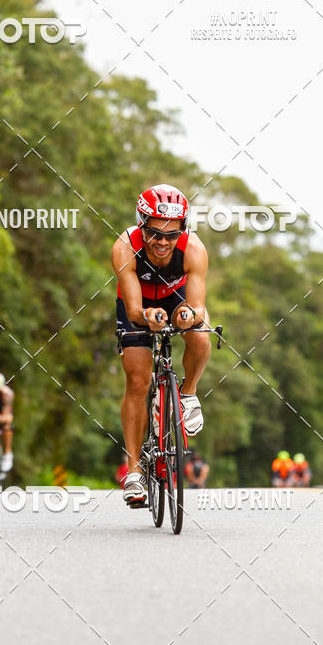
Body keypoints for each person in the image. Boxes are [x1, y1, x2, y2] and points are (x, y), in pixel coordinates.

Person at [112, 184, 211, 506]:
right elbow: (133, 310)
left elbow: (197, 307)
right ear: (142, 224)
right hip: (138, 303)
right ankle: (134, 471)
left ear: (183, 229)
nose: (163, 242)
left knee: (200, 335)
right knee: (137, 380)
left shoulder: (193, 248)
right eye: (155, 233)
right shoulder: (125, 246)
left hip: (177, 297)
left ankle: (188, 394)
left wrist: (187, 316)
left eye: (172, 234)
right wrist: (146, 316)